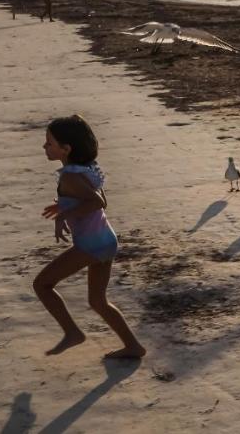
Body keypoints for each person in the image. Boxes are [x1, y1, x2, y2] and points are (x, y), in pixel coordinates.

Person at [33, 115, 145, 360]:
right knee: (97, 301)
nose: (44, 147)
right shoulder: (87, 168)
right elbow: (93, 198)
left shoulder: (70, 177)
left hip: (91, 244)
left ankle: (72, 333)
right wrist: (61, 205)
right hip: (106, 240)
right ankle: (133, 347)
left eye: (49, 143)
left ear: (66, 149)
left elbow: (96, 202)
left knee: (42, 284)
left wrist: (64, 216)